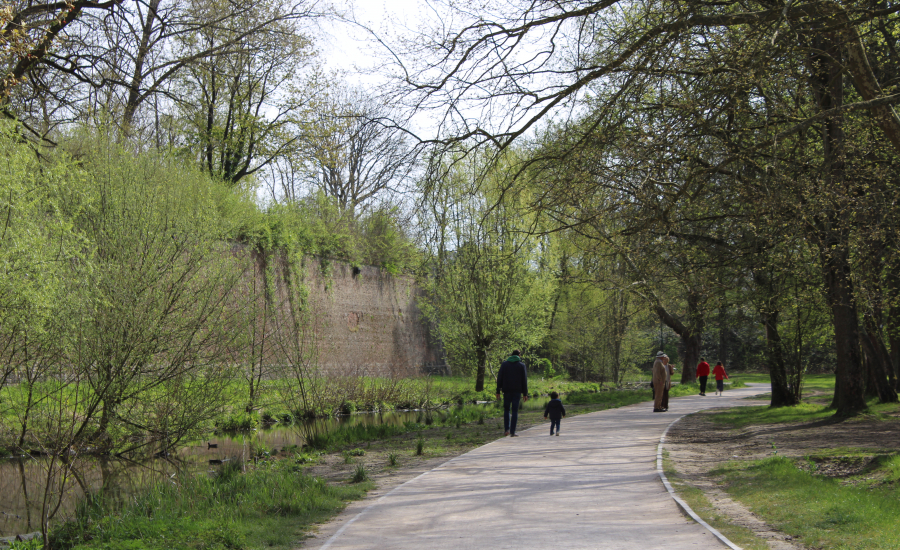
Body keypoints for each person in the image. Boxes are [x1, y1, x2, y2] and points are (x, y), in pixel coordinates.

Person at [496, 350, 529, 436]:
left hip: (506, 390)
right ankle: (512, 432)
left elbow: (500, 377)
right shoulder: (522, 365)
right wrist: (525, 393)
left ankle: (507, 429)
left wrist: (498, 391)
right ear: (519, 355)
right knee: (515, 411)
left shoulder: (504, 364)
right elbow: (524, 380)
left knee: (506, 410)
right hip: (517, 391)